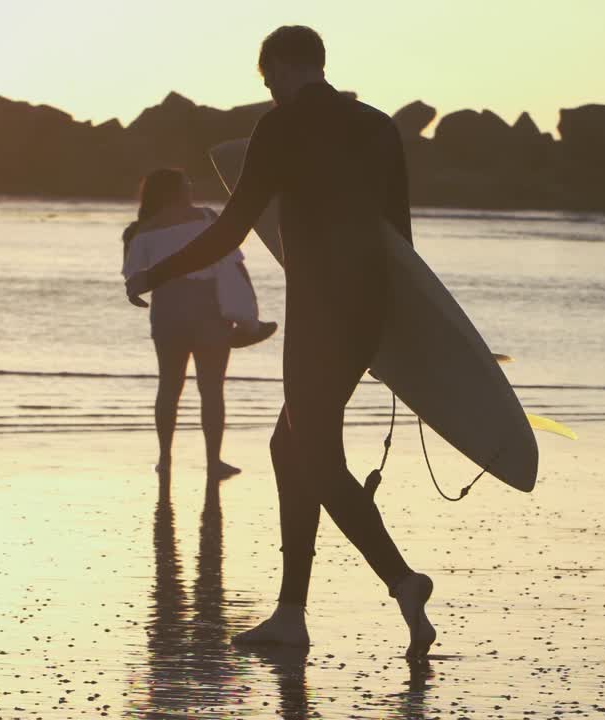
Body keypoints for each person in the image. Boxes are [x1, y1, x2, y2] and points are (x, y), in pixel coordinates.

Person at [124, 26, 436, 657]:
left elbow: (232, 228)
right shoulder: (379, 127)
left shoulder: (282, 127)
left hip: (320, 311)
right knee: (291, 447)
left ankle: (403, 581)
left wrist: (155, 271)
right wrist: (398, 336)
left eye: (266, 77)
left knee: (316, 459)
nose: (265, 89)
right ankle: (291, 614)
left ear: (285, 66)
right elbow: (401, 240)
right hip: (368, 310)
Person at [122, 168, 276, 480]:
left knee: (169, 386)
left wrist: (139, 293)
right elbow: (233, 261)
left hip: (166, 311)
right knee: (211, 388)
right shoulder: (206, 217)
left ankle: (165, 460)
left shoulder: (141, 230)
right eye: (186, 184)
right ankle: (213, 462)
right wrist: (247, 310)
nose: (191, 188)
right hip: (209, 311)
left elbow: (133, 280)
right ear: (174, 191)